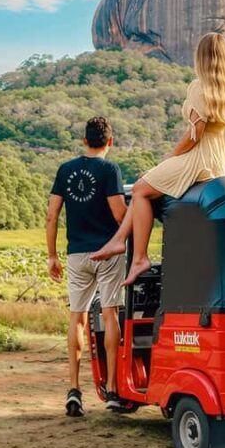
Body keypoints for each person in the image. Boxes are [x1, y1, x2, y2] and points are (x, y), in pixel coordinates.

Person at [92, 32, 225, 283]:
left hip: (198, 158)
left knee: (140, 189)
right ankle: (119, 240)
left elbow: (195, 134)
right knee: (147, 183)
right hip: (221, 161)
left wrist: (169, 160)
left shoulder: (199, 87)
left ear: (201, 58)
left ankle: (138, 256)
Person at [46, 116, 127, 417]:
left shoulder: (65, 170)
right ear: (110, 141)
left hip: (76, 253)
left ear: (84, 140)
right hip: (107, 252)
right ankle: (113, 390)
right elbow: (119, 213)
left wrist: (52, 255)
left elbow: (52, 214)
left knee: (77, 318)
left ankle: (74, 390)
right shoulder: (110, 169)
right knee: (110, 314)